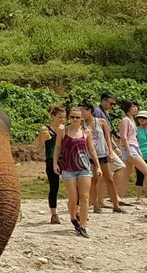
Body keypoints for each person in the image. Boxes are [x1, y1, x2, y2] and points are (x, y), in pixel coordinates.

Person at [56, 107, 94, 238]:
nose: (75, 119)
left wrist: (98, 166)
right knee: (73, 197)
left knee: (85, 196)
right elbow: (58, 148)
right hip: (68, 167)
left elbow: (92, 150)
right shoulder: (63, 130)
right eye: (72, 117)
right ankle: (73, 217)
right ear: (69, 117)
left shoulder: (86, 132)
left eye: (77, 117)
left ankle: (83, 225)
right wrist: (55, 163)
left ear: (82, 118)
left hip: (84, 166)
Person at [116, 100, 147, 205]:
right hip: (129, 148)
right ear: (128, 108)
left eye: (136, 106)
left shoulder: (131, 120)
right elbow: (124, 136)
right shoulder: (126, 120)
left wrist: (137, 149)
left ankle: (119, 197)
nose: (136, 108)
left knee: (127, 175)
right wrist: (130, 150)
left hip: (132, 148)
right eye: (133, 107)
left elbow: (133, 137)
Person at [86, 97, 123, 213]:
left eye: (83, 111)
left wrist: (111, 151)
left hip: (102, 153)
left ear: (89, 111)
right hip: (89, 155)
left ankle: (116, 205)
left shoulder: (101, 122)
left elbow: (108, 137)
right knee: (93, 180)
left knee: (109, 179)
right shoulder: (81, 124)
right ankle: (96, 205)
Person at [37, 104, 65, 224]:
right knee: (54, 187)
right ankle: (54, 214)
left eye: (64, 117)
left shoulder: (64, 128)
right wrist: (44, 138)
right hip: (50, 160)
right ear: (53, 116)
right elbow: (40, 147)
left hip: (64, 159)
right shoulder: (45, 129)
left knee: (74, 185)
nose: (62, 120)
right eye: (60, 117)